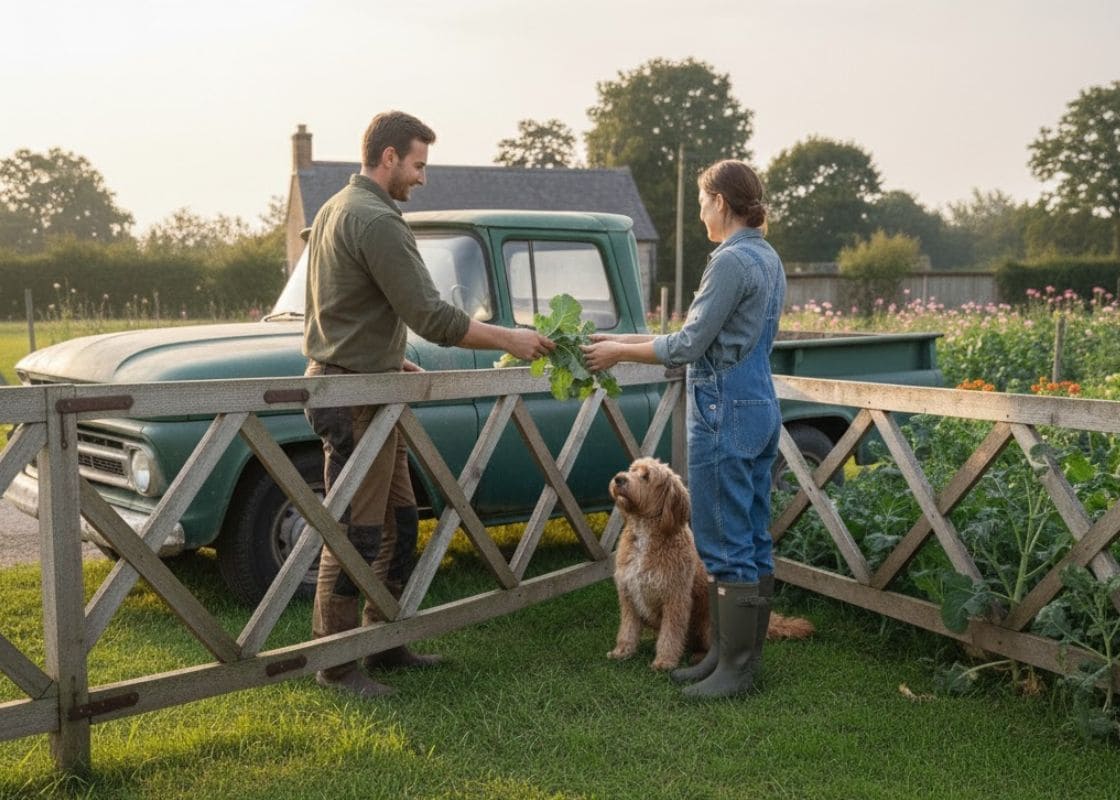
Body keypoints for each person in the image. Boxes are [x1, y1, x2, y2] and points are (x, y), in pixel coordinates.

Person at [303, 110, 555, 698]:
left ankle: (383, 642)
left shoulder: (337, 207)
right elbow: (430, 315)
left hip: (367, 383)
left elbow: (346, 305)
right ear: (388, 157)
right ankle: (337, 665)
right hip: (354, 397)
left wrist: (387, 356)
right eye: (417, 165)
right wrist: (509, 338)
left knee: (397, 523)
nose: (421, 178)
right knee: (354, 533)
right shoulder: (375, 218)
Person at [582, 159, 786, 699]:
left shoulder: (730, 262)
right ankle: (728, 655)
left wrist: (619, 349)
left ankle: (735, 671)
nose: (700, 214)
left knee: (723, 543)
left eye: (701, 202)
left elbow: (688, 344)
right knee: (753, 534)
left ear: (720, 201)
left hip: (724, 412)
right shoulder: (768, 258)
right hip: (761, 405)